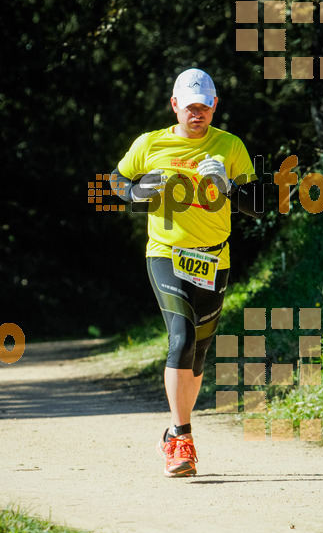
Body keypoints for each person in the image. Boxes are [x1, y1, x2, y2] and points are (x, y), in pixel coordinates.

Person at [110, 68, 261, 478]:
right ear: (174, 105)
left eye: (204, 106)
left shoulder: (230, 146)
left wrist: (229, 186)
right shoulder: (150, 143)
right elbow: (116, 180)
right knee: (182, 336)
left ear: (214, 106)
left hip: (215, 258)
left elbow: (259, 204)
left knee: (198, 352)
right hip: (166, 254)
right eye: (189, 106)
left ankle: (174, 432)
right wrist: (139, 192)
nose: (197, 113)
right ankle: (182, 438)